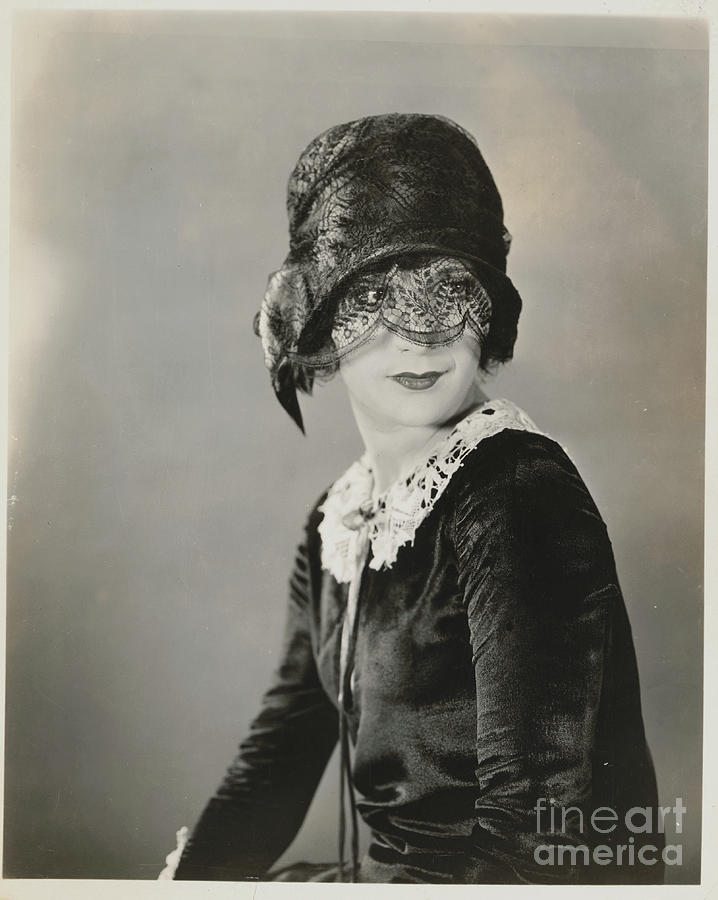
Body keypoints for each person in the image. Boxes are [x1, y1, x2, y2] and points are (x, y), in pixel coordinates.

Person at [160, 113, 663, 884]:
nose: (418, 339)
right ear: (321, 324)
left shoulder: (518, 497)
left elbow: (534, 832)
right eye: (373, 299)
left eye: (450, 293)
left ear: (489, 314)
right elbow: (277, 761)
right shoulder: (340, 521)